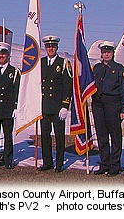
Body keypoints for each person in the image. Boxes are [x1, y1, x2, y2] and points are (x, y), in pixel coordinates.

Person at [92, 41, 124, 177]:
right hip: (98, 104)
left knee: (115, 135)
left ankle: (114, 165)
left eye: (109, 52)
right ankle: (105, 163)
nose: (106, 54)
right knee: (102, 136)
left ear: (113, 53)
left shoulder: (119, 69)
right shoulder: (96, 68)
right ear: (101, 53)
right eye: (104, 52)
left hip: (113, 104)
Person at [40, 35, 73, 172]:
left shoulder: (63, 63)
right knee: (45, 136)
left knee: (59, 137)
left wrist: (65, 105)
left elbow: (67, 85)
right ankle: (47, 162)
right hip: (44, 107)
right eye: (48, 46)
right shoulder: (40, 63)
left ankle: (59, 163)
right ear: (45, 48)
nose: (50, 48)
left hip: (58, 107)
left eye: (53, 46)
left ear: (57, 47)